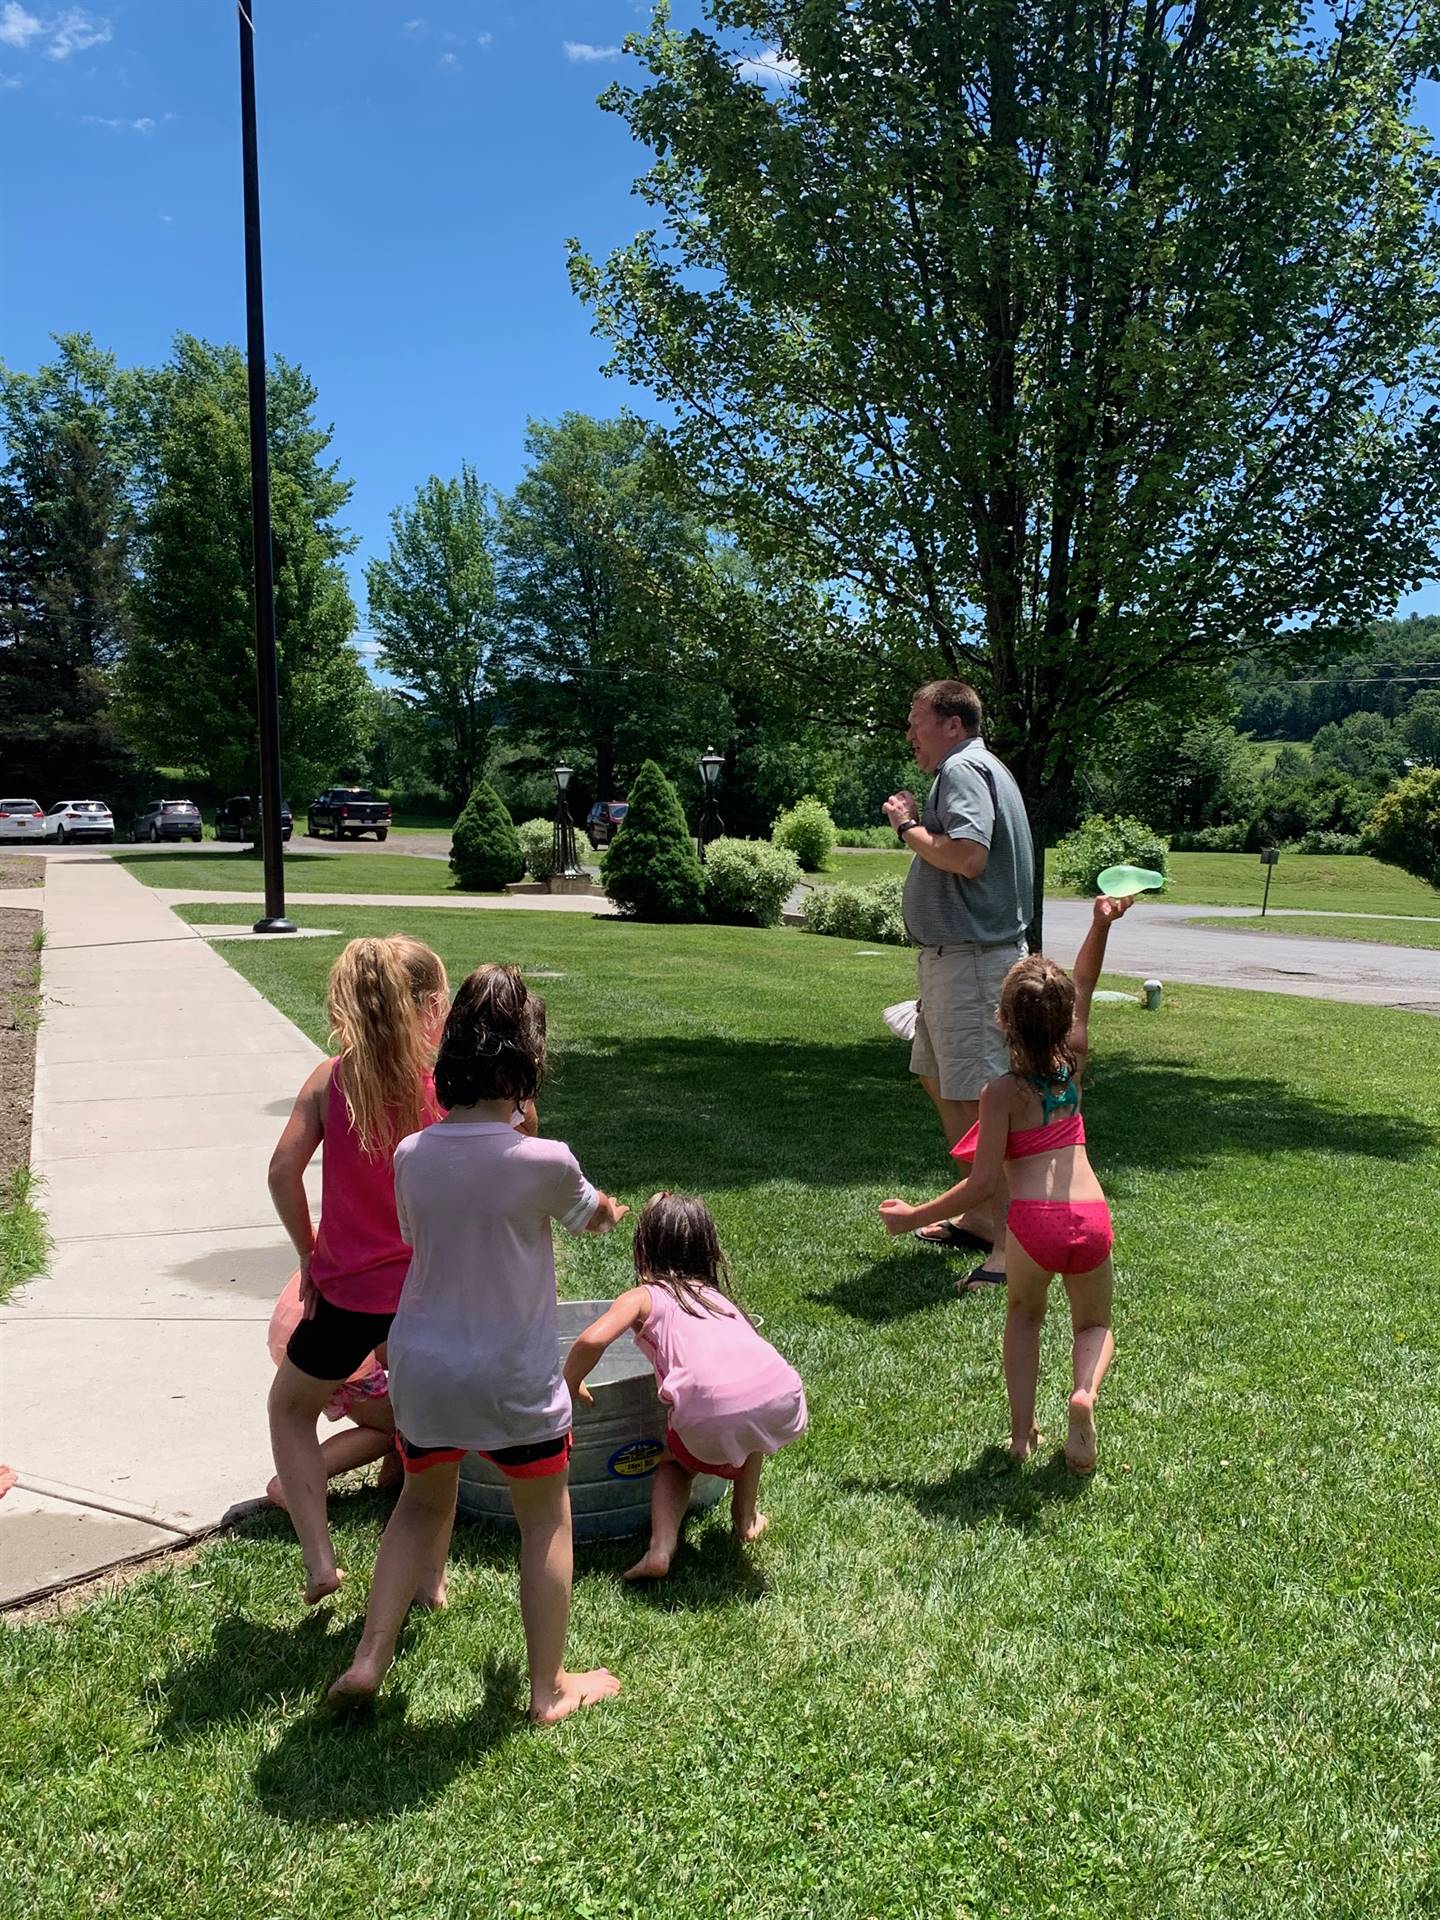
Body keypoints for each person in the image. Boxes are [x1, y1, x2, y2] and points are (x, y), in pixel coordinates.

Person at [328, 965, 627, 1723]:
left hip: (423, 1367)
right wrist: (614, 1209)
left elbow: (413, 1233)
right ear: (527, 1064)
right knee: (545, 1519)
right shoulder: (546, 1160)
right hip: (511, 1375)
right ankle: (548, 1688)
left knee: (421, 1507)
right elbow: (592, 1215)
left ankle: (369, 1657)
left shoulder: (410, 1156)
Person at [878, 895, 1132, 1473]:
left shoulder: (1000, 1095)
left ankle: (1021, 1436)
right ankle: (1084, 1394)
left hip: (1034, 1225)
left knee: (1024, 1317)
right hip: (1090, 1215)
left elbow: (980, 1187)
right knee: (1092, 1323)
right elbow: (1087, 980)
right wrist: (1099, 924)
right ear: (1065, 1019)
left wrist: (912, 1215)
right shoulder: (1074, 1061)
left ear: (1002, 1021)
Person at [266, 936, 450, 1605]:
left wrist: (309, 1256)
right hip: (426, 1292)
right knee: (432, 1428)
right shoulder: (446, 1087)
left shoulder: (328, 1078)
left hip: (345, 1294)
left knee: (290, 1409)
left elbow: (282, 1171)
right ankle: (431, 1578)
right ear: (429, 1005)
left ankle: (320, 1560)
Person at [564, 1192, 808, 1583]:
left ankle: (660, 1549)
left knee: (675, 1466)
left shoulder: (645, 1296)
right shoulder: (716, 1298)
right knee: (751, 1436)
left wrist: (570, 1382)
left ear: (645, 1246)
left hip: (711, 1407)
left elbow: (592, 1340)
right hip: (780, 1391)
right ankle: (745, 1520)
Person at [882, 680, 1036, 1289]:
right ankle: (978, 1214)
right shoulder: (977, 768)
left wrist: (907, 828)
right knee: (937, 1075)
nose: (910, 733)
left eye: (917, 721)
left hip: (974, 963)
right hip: (957, 962)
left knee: (981, 1101)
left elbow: (969, 856)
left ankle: (1008, 1243)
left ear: (951, 723)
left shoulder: (964, 768)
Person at [262, 1270, 401, 1510]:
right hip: (336, 1332)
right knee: (394, 1426)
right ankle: (291, 1483)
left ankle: (390, 1488)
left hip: (298, 1324)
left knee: (399, 1406)